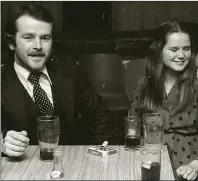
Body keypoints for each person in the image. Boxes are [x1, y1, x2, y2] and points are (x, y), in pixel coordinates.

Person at [1, 2, 111, 157]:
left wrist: (94, 155)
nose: (38, 46)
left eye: (45, 38)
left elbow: (98, 114)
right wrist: (2, 146)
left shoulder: (68, 69)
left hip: (74, 166)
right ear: (11, 43)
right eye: (28, 37)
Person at [128, 20, 198, 180]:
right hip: (150, 162)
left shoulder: (196, 83)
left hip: (189, 165)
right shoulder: (145, 84)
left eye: (186, 49)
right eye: (174, 49)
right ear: (159, 50)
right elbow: (133, 126)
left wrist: (196, 165)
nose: (181, 55)